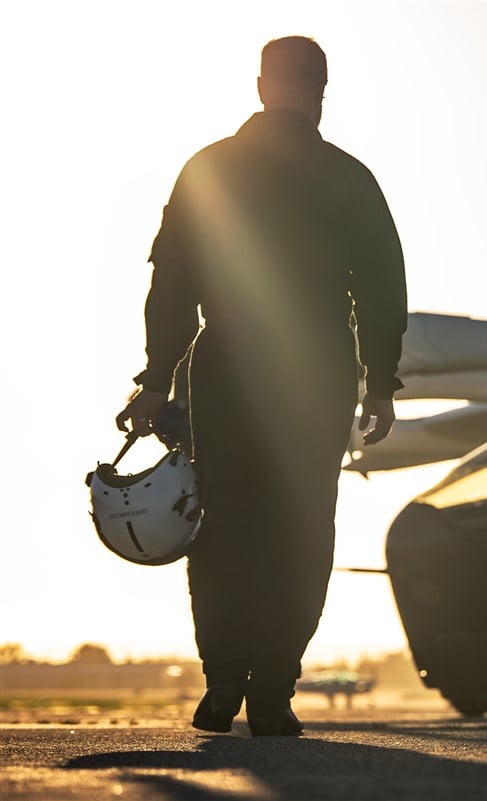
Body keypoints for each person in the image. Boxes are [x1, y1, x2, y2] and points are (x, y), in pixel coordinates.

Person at [115, 36, 407, 736]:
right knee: (301, 526)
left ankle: (222, 678)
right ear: (322, 90)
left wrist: (157, 379)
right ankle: (273, 687)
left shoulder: (208, 169)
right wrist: (380, 383)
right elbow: (381, 290)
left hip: (227, 365)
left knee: (220, 520)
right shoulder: (350, 178)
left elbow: (172, 284)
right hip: (315, 370)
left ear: (258, 86)